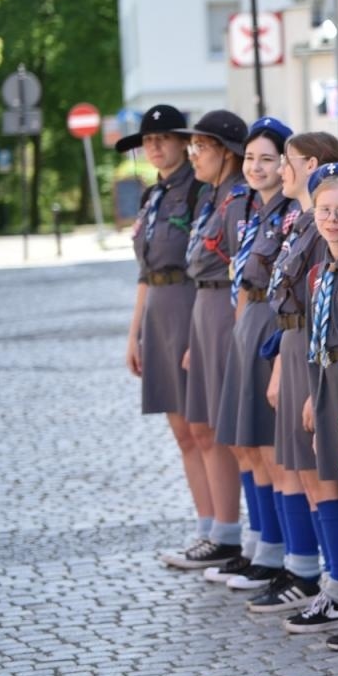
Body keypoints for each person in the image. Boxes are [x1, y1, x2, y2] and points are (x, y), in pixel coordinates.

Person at [248, 167, 338, 622]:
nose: (333, 219)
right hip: (317, 373)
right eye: (324, 210)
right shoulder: (322, 270)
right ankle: (335, 586)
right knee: (316, 481)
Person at [206, 117, 299, 591]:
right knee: (245, 442)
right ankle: (261, 544)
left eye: (267, 159)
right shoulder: (251, 209)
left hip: (272, 324)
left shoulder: (291, 212)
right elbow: (242, 278)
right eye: (250, 158)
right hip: (248, 322)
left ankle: (285, 555)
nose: (256, 167)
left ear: (285, 163)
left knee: (269, 447)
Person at [160, 110, 253, 572]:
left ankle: (231, 535)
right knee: (202, 426)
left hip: (223, 311)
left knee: (223, 429)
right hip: (204, 307)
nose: (194, 155)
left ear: (227, 153)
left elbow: (243, 272)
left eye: (202, 147)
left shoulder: (237, 201)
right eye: (193, 147)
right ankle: (219, 530)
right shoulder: (212, 197)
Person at [125, 105, 213, 556]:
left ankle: (224, 532)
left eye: (164, 138)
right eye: (148, 140)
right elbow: (144, 271)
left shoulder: (199, 190)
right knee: (181, 432)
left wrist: (198, 333)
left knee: (203, 429)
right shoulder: (151, 196)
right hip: (157, 310)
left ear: (182, 142)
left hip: (188, 304)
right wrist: (134, 332)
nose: (155, 146)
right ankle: (205, 526)